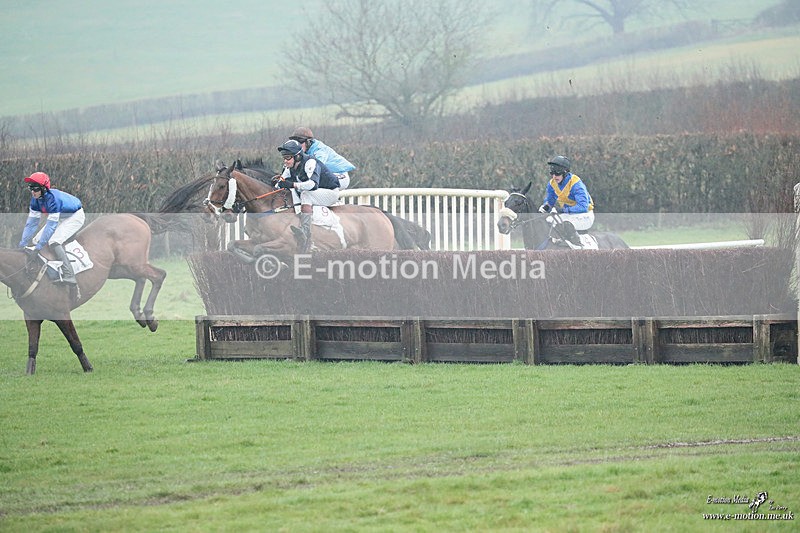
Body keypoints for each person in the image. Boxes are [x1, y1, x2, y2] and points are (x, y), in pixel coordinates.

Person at [18, 172, 85, 284]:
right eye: (30, 188)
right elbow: (31, 224)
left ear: (44, 188)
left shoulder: (53, 200)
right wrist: (22, 244)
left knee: (54, 241)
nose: (33, 191)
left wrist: (38, 248)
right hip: (61, 216)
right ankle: (47, 268)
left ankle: (69, 274)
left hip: (75, 216)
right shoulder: (35, 200)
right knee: (36, 240)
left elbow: (51, 227)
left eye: (35, 188)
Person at [275, 139, 341, 252]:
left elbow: (313, 185)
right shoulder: (289, 167)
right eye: (284, 157)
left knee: (305, 194)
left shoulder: (310, 162)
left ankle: (305, 232)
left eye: (288, 158)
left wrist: (292, 184)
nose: (285, 161)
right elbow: (279, 184)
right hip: (317, 192)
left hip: (330, 192)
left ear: (298, 157)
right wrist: (277, 183)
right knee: (292, 192)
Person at [538, 155, 595, 247]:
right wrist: (545, 207)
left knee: (565, 225)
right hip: (569, 215)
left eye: (557, 174)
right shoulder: (552, 184)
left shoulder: (576, 184)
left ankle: (580, 247)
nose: (554, 177)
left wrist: (563, 210)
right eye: (552, 173)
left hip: (584, 215)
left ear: (565, 172)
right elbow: (550, 202)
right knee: (548, 221)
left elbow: (583, 207)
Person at [288, 127, 355, 190]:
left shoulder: (319, 151)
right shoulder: (305, 151)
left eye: (300, 142)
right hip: (329, 176)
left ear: (308, 142)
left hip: (340, 177)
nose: (297, 145)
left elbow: (316, 170)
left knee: (308, 185)